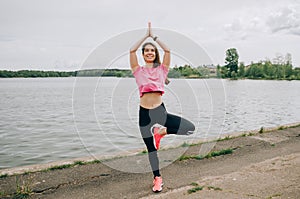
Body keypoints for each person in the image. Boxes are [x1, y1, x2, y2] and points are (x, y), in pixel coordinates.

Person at [129, 22, 195, 193]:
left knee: (189, 128)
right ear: (143, 54)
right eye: (146, 51)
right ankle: (157, 178)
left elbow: (167, 51)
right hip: (144, 113)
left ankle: (161, 132)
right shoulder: (138, 70)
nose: (150, 52)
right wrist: (145, 36)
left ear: (154, 53)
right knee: (151, 150)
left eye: (152, 50)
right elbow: (131, 51)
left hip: (160, 111)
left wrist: (154, 37)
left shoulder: (162, 69)